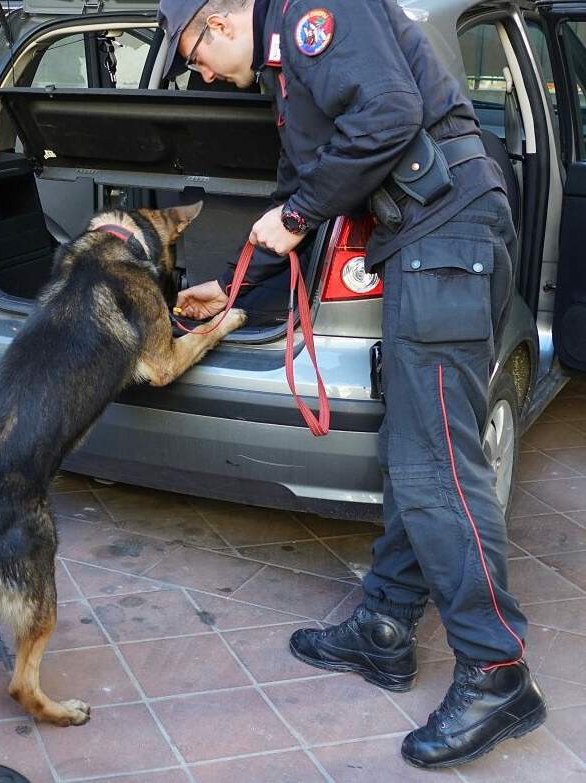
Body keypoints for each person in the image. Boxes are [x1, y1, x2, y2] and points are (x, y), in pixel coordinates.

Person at [157, 0, 547, 769]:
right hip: (424, 240)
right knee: (412, 450)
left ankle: (496, 670)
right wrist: (231, 289)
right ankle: (384, 628)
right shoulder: (285, 72)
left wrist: (300, 212)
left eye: (193, 55)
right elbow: (295, 198)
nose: (199, 73)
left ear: (220, 20)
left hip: (447, 233)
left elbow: (390, 114)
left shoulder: (316, 13)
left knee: (436, 466)